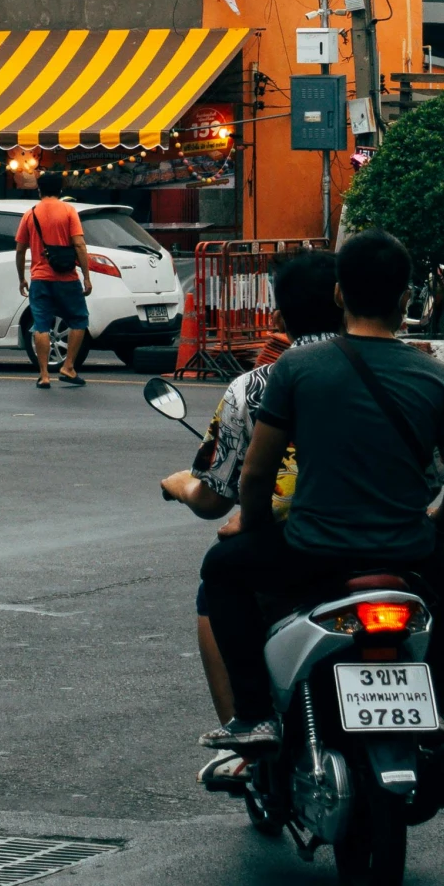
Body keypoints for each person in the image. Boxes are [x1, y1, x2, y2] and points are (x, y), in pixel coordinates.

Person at [199, 228, 444, 758]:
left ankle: (255, 716)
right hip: (407, 549)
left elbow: (256, 476)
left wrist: (253, 524)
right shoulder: (439, 379)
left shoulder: (297, 370)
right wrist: (433, 527)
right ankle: (437, 711)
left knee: (222, 570)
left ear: (338, 295)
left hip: (313, 549)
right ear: (406, 300)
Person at [159, 249, 339, 779]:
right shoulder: (405, 369)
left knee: (218, 575)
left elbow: (229, 490)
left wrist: (192, 492)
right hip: (394, 543)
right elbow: (441, 480)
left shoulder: (258, 385)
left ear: (279, 318)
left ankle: (251, 721)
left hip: (299, 545)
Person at [14, 169, 92, 388]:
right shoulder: (69, 211)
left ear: (39, 190)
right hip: (67, 277)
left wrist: (21, 278)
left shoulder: (30, 214)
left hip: (39, 278)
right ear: (60, 190)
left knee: (41, 326)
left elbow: (20, 250)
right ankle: (68, 367)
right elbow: (79, 244)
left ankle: (44, 374)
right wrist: (86, 277)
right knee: (78, 320)